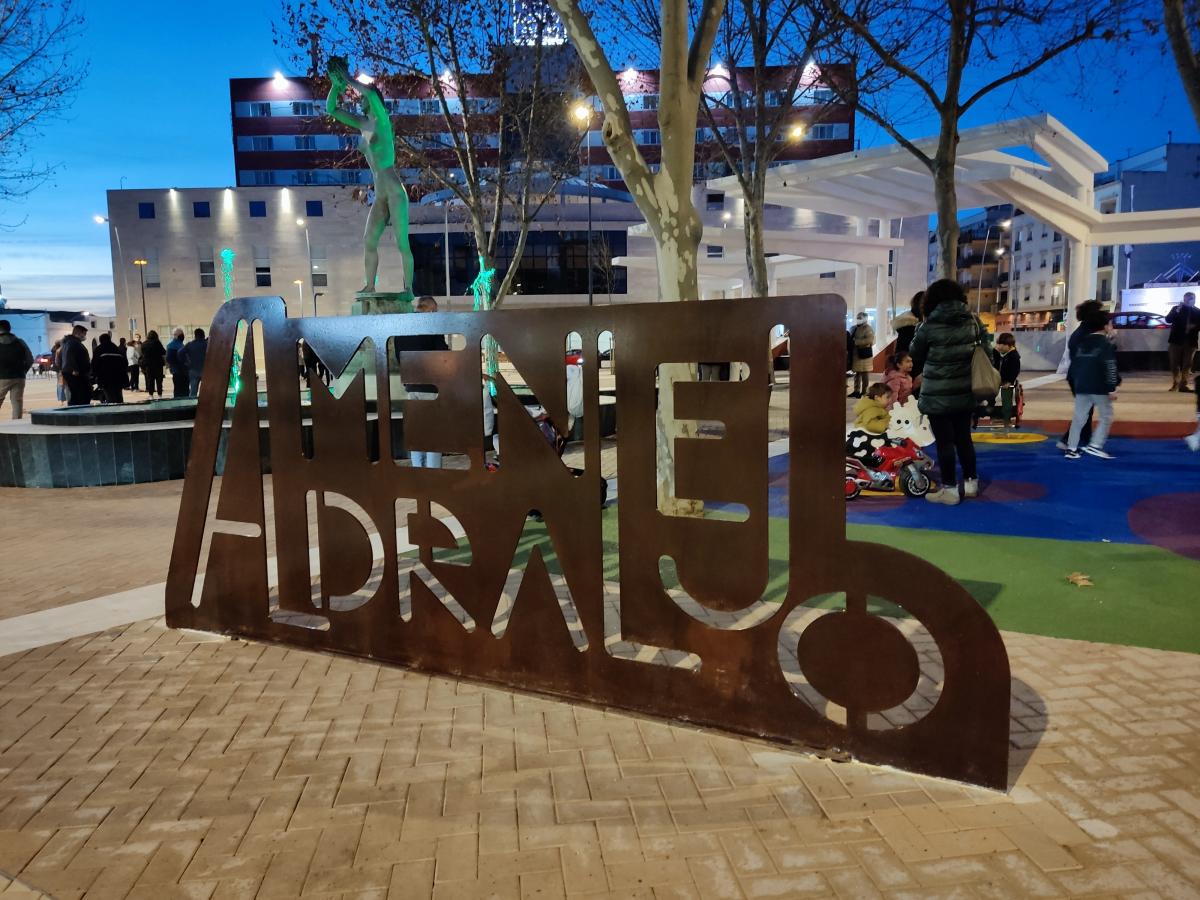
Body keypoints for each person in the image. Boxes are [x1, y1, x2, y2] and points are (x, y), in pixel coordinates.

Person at [326, 56, 415, 295]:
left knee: (402, 243)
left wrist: (348, 79)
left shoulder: (383, 123)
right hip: (379, 194)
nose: (360, 101)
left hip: (394, 191)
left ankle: (408, 289)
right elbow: (331, 109)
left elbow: (373, 96)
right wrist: (336, 86)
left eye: (362, 98)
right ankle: (370, 285)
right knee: (369, 241)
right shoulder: (363, 126)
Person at [910, 279, 980, 505]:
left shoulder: (928, 325)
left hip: (937, 394)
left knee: (944, 443)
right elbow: (984, 350)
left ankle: (949, 489)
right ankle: (971, 484)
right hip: (964, 390)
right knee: (964, 439)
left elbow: (915, 353)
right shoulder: (972, 321)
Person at [397, 296, 448, 468]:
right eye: (436, 310)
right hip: (431, 387)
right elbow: (442, 355)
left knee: (417, 431)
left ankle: (418, 470)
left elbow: (399, 355)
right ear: (431, 309)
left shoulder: (403, 326)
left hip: (411, 384)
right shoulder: (432, 325)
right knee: (433, 432)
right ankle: (434, 472)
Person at [1064, 306, 1120, 459]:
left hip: (1082, 386)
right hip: (1099, 387)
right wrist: (1112, 387)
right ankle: (1095, 445)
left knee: (1079, 417)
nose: (1112, 327)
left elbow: (1075, 364)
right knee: (1106, 415)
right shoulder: (1105, 344)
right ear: (1105, 327)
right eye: (1110, 325)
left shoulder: (1083, 343)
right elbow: (1109, 366)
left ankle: (1072, 448)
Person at [1057, 301, 1103, 450]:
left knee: (1086, 409)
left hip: (1079, 376)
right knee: (1085, 410)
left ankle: (1083, 438)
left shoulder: (1083, 332)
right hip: (1082, 377)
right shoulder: (1086, 335)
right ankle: (1067, 440)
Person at [0, 319, 34, 419]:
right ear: (9, 329)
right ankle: (17, 424)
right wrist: (23, 371)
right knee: (17, 401)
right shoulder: (20, 341)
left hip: (2, 377)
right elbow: (30, 359)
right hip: (19, 377)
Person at [1166, 292, 1199, 391]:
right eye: (1188, 299)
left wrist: (1194, 326)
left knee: (1187, 364)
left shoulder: (1197, 311)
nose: (1190, 300)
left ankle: (1183, 385)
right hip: (1176, 341)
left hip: (1191, 341)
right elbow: (1168, 319)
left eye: (1192, 298)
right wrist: (1177, 310)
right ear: (1184, 299)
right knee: (1174, 363)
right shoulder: (1177, 309)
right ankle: (1175, 383)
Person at [60, 325, 92, 406]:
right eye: (84, 334)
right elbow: (70, 356)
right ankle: (79, 413)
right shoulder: (72, 342)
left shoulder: (70, 342)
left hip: (73, 372)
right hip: (75, 373)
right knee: (80, 395)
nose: (84, 336)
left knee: (77, 395)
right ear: (78, 333)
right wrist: (75, 369)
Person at [93, 333, 127, 404]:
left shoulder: (99, 349)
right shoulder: (116, 348)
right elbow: (125, 363)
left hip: (106, 378)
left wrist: (95, 376)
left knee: (110, 397)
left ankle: (113, 412)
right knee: (119, 396)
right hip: (118, 378)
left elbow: (95, 364)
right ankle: (120, 411)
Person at [848, 312, 875, 398]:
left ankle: (864, 391)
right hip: (855, 354)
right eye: (857, 317)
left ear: (865, 319)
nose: (858, 319)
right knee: (857, 374)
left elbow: (870, 340)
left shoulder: (868, 328)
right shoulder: (853, 328)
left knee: (865, 374)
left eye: (860, 317)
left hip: (864, 355)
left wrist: (856, 342)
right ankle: (856, 391)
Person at [180, 328, 208, 398]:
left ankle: (192, 405)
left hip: (193, 370)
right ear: (203, 335)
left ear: (195, 335)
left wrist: (185, 362)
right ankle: (206, 404)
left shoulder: (190, 344)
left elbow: (180, 352)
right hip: (206, 370)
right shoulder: (207, 344)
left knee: (193, 391)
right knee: (206, 390)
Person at [140, 330, 166, 398]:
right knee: (159, 380)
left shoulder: (144, 343)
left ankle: (151, 395)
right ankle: (159, 395)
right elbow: (163, 352)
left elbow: (142, 353)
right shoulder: (157, 343)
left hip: (148, 365)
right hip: (158, 364)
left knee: (150, 380)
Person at [166, 328, 189, 398]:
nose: (182, 336)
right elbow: (170, 358)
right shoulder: (173, 346)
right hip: (179, 370)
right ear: (175, 335)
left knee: (180, 389)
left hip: (178, 370)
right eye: (181, 334)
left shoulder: (179, 344)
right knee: (181, 390)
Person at [49, 339, 66, 405]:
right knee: (62, 384)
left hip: (57, 369)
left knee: (60, 384)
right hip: (60, 369)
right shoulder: (59, 350)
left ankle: (61, 399)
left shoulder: (54, 350)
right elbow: (58, 361)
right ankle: (62, 399)